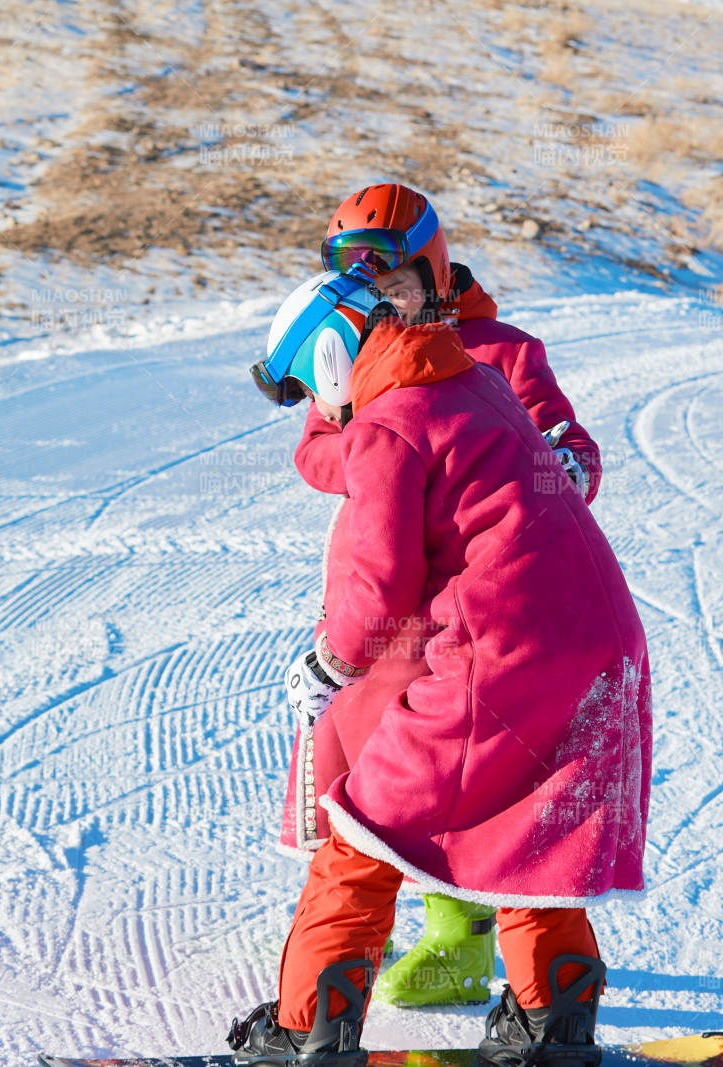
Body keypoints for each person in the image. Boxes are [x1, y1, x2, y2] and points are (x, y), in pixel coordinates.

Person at [236, 272, 651, 1067]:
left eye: (306, 390)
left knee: (363, 834)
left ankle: (307, 1031)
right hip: (601, 643)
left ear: (329, 358)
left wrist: (331, 665)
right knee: (530, 836)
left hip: (498, 656)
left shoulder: (390, 423)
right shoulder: (473, 380)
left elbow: (379, 584)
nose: (318, 409)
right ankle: (552, 1025)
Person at [277, 183, 603, 1009]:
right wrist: (374, 439)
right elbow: (317, 451)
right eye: (350, 272)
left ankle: (458, 936)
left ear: (433, 263)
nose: (372, 292)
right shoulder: (350, 352)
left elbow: (564, 441)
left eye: (388, 273)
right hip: (391, 601)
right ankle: (354, 933)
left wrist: (554, 465)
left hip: (479, 600)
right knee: (369, 770)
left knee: (477, 779)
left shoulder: (501, 349)